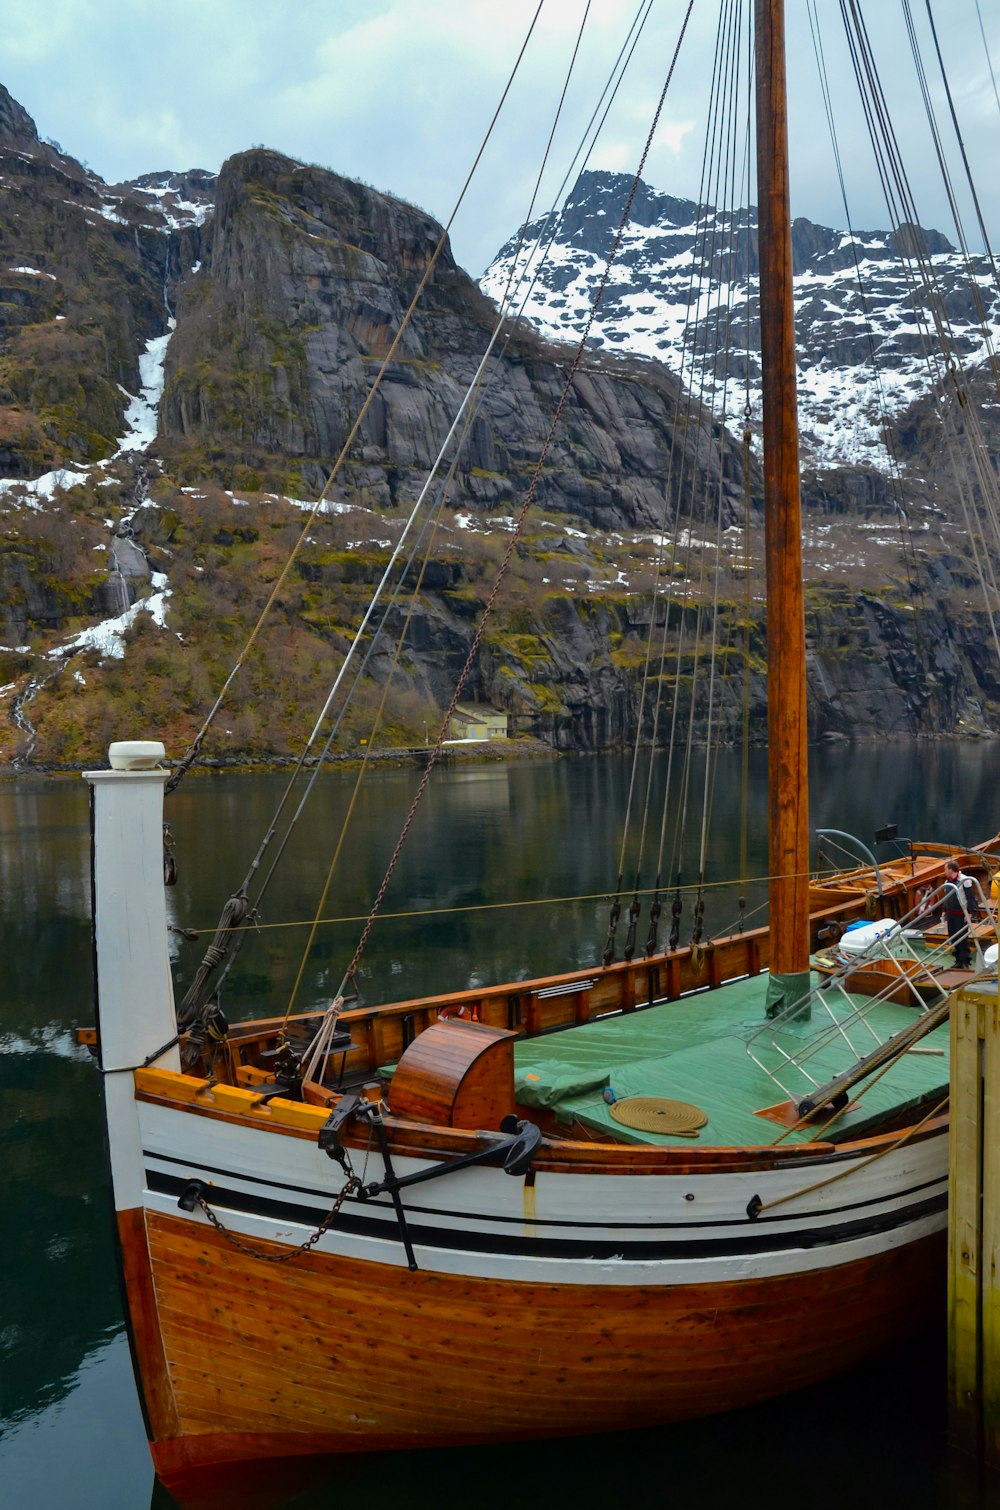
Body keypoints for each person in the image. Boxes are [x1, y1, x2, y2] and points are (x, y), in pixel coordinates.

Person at [943, 859, 973, 969]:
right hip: (951, 914)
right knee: (953, 937)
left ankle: (965, 962)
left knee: (962, 938)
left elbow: (970, 897)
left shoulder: (965, 880)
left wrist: (969, 913)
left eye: (945, 869)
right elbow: (946, 898)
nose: (944, 871)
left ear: (951, 869)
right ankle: (958, 960)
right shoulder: (947, 882)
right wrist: (944, 911)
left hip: (961, 914)